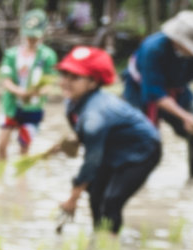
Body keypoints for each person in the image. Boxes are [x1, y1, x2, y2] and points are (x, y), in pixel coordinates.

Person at [57, 46, 162, 234]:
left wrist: (72, 199)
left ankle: (110, 246)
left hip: (142, 151)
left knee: (111, 200)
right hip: (111, 147)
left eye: (75, 77)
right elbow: (82, 133)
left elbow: (91, 162)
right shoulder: (72, 101)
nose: (66, 82)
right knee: (95, 194)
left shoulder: (95, 115)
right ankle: (100, 239)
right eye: (64, 74)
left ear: (92, 82)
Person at [122, 10, 193, 179]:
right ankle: (130, 181)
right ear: (176, 41)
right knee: (137, 138)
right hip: (140, 91)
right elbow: (155, 93)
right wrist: (184, 116)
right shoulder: (153, 48)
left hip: (178, 91)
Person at [0, 10, 58, 161]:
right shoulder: (11, 54)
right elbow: (6, 80)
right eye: (29, 35)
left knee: (24, 148)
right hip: (11, 106)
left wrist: (37, 92)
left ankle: (21, 181)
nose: (31, 39)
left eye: (35, 35)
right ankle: (0, 178)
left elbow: (50, 83)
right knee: (1, 146)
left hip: (33, 108)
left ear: (43, 34)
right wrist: (19, 92)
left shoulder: (48, 56)